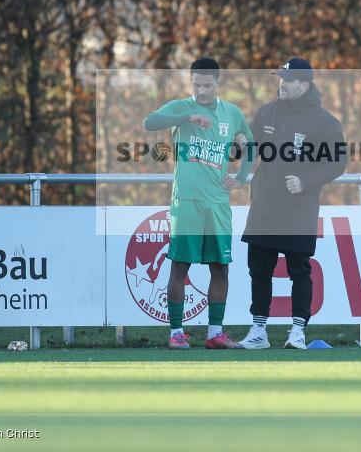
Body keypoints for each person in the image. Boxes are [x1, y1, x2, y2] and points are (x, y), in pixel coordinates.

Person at [143, 57, 253, 349]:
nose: (201, 90)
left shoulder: (232, 113)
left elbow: (250, 145)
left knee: (220, 268)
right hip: (187, 202)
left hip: (217, 203)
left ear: (218, 82)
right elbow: (149, 122)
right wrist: (186, 118)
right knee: (180, 267)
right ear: (190, 82)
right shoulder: (181, 107)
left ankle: (215, 333)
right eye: (196, 84)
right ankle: (176, 333)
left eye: (207, 84)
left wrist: (241, 177)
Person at [237, 58, 347, 349]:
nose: (282, 83)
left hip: (299, 207)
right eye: (280, 78)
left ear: (305, 84)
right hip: (264, 204)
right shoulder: (267, 112)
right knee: (259, 269)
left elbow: (338, 162)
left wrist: (306, 181)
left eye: (288, 79)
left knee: (299, 269)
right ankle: (258, 332)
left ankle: (297, 332)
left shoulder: (323, 121)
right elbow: (249, 146)